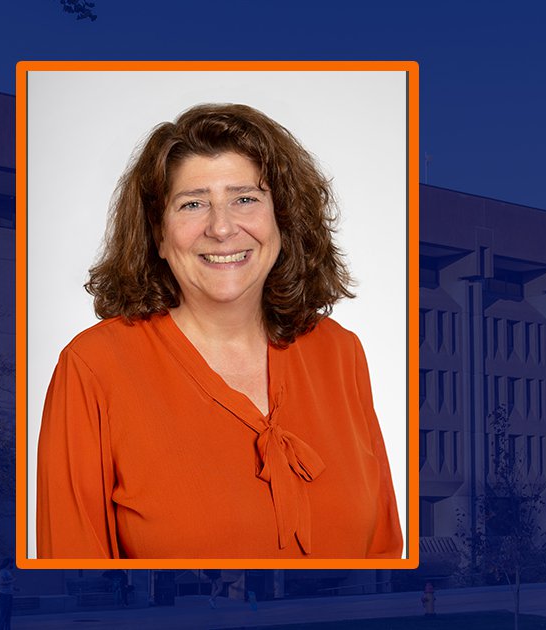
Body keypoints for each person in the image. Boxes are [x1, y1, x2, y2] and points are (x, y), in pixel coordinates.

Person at [36, 103, 403, 559]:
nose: (222, 227)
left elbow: (385, 555)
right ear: (159, 233)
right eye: (193, 204)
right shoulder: (93, 368)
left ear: (282, 219)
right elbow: (73, 581)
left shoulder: (340, 353)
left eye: (244, 198)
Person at [0, 558, 15, 630]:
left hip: (9, 595)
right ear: (8, 563)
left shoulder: (8, 572)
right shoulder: (2, 572)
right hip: (4, 595)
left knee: (8, 614)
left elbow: (8, 583)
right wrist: (12, 580)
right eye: (11, 563)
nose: (12, 565)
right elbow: (1, 582)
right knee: (3, 614)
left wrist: (14, 588)